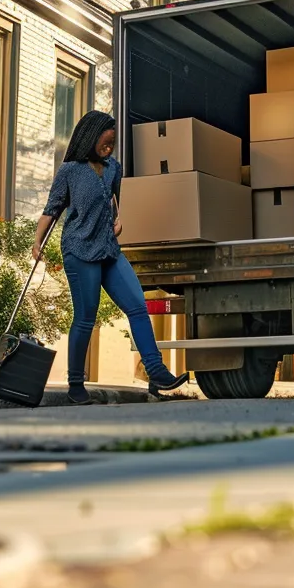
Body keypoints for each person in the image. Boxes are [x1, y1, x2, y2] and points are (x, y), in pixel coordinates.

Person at [34, 111, 192, 404]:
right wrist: (37, 242)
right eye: (105, 144)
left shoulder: (113, 168)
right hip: (80, 250)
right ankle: (76, 385)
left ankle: (156, 371)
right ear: (90, 138)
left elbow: (115, 199)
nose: (109, 149)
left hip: (108, 249)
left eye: (112, 144)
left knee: (137, 306)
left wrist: (118, 219)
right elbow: (51, 209)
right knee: (85, 317)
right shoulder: (70, 170)